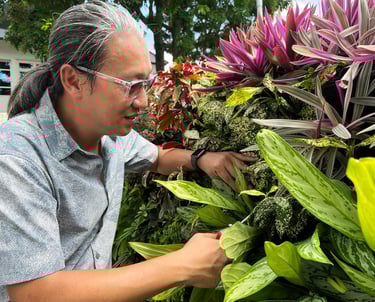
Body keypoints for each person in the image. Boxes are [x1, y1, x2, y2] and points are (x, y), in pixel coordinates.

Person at [0, 1, 254, 301]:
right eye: (130, 85)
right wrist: (182, 265)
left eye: (146, 84)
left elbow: (157, 158)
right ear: (73, 80)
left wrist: (203, 160)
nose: (144, 102)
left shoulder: (110, 135)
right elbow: (35, 294)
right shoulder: (17, 160)